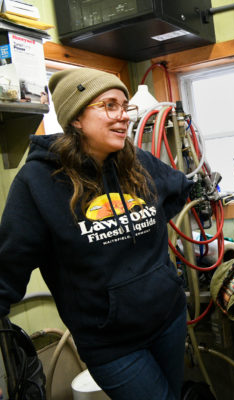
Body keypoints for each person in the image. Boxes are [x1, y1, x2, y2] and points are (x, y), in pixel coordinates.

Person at [0, 68, 193, 399]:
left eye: (125, 106)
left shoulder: (137, 162)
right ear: (76, 117)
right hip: (111, 345)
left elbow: (177, 190)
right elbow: (8, 268)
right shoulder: (39, 182)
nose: (123, 116)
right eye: (109, 106)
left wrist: (154, 266)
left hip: (168, 320)